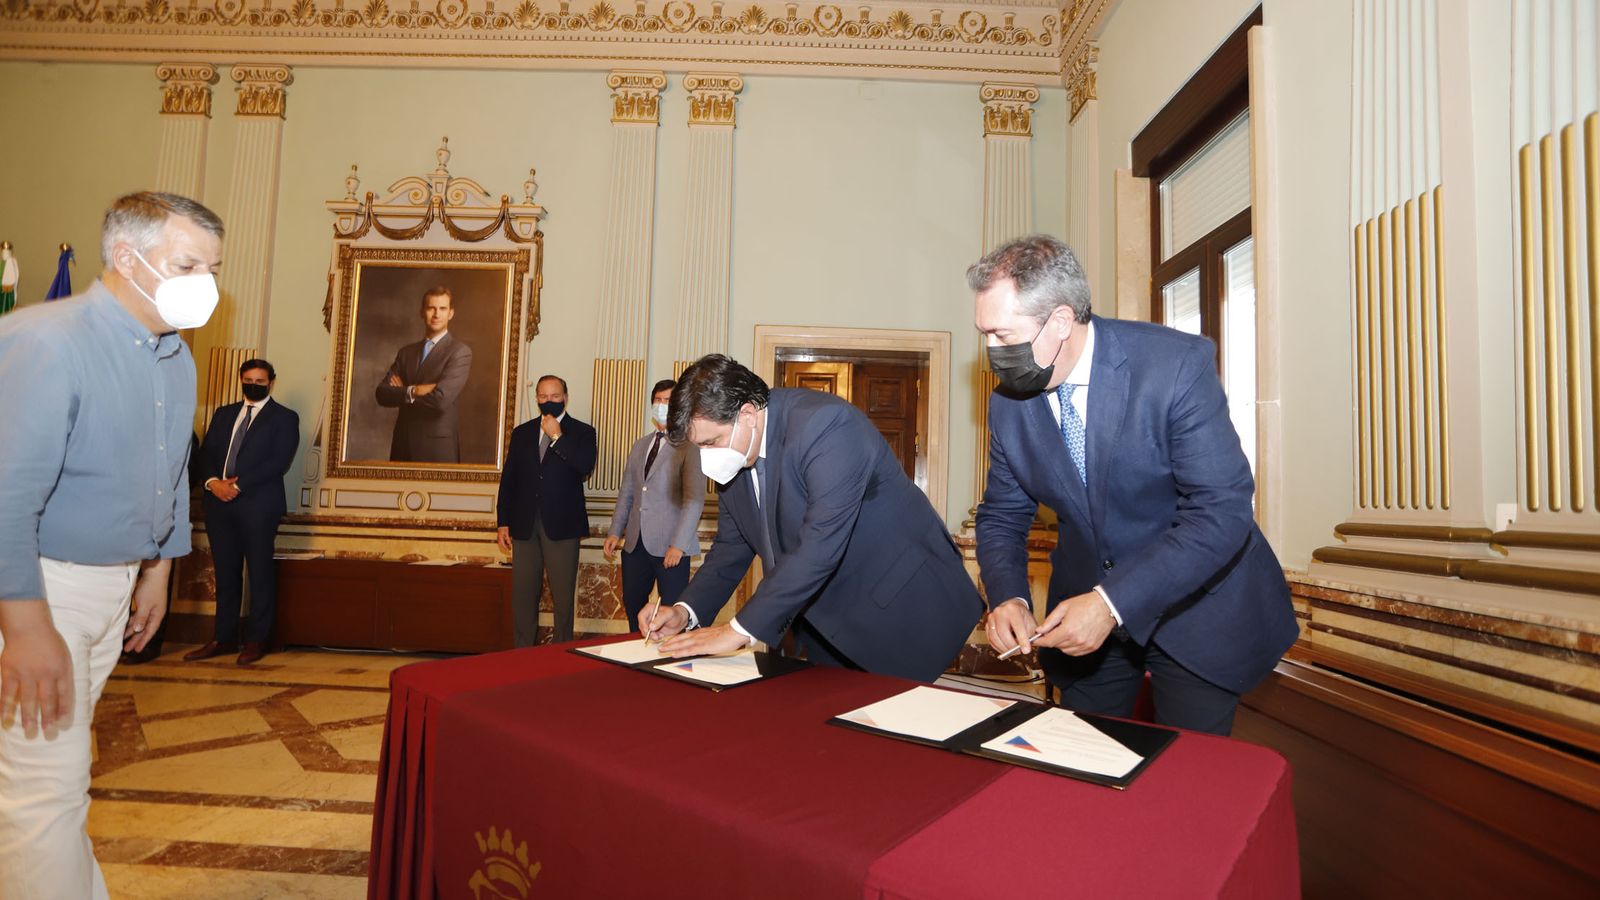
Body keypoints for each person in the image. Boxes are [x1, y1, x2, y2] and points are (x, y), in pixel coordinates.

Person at [971, 235, 1297, 736]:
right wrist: (1009, 595)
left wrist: (1111, 603)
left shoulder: (1174, 366)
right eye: (985, 334)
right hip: (1081, 624)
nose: (991, 350)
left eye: (1002, 334)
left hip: (1196, 610)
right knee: (1081, 761)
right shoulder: (1009, 404)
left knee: (1183, 786)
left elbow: (1220, 511)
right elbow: (1002, 513)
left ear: (1059, 321)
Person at [0, 190, 223, 899]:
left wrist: (157, 571)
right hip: (44, 591)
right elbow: (6, 498)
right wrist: (26, 627)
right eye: (188, 263)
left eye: (212, 267)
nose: (206, 282)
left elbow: (164, 471)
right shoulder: (46, 339)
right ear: (128, 257)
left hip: (115, 587)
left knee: (55, 774)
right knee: (44, 792)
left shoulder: (175, 358)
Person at [643, 355, 982, 683]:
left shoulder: (826, 425)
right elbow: (732, 547)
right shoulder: (735, 454)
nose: (708, 457)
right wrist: (685, 611)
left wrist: (737, 631)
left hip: (901, 607)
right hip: (823, 617)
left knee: (896, 727)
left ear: (747, 414)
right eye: (700, 447)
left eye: (711, 442)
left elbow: (819, 546)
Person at [184, 359, 300, 665]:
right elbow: (206, 454)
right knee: (225, 574)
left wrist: (236, 486)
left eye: (260, 381)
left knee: (260, 574)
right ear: (240, 379)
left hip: (258, 506)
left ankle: (257, 640)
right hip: (218, 505)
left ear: (271, 382)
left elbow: (278, 461)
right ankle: (222, 638)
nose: (254, 384)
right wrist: (212, 483)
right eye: (249, 379)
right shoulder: (223, 414)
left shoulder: (285, 417)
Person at [496, 376, 597, 646]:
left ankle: (560, 654)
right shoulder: (522, 433)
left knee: (563, 597)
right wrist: (502, 522)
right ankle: (522, 654)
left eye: (554, 396)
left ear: (565, 396)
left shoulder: (583, 432)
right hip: (524, 525)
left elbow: (583, 466)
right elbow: (509, 480)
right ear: (537, 398)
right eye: (542, 396)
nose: (548, 401)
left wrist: (556, 437)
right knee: (523, 596)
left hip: (562, 526)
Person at [603, 379, 705, 632]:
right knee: (633, 606)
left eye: (668, 401)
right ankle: (636, 659)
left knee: (672, 612)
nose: (662, 406)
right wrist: (615, 531)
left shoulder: (689, 446)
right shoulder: (640, 445)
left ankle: (669, 662)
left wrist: (678, 545)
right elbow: (627, 491)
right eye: (658, 400)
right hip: (635, 545)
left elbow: (693, 500)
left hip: (671, 547)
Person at [374, 285, 473, 462]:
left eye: (442, 308)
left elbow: (440, 400)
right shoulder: (406, 353)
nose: (436, 314)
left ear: (451, 313)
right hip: (402, 445)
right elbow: (381, 393)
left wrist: (402, 393)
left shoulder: (460, 352)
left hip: (437, 449)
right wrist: (414, 391)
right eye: (431, 308)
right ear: (422, 312)